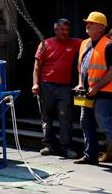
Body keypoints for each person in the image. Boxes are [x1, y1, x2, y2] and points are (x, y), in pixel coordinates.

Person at [73, 11, 112, 170]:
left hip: (104, 92)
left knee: (104, 124)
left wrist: (96, 87)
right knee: (86, 122)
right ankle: (90, 155)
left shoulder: (109, 45)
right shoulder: (85, 43)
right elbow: (81, 68)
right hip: (87, 92)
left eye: (91, 23)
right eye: (88, 22)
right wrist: (80, 84)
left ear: (100, 27)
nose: (87, 25)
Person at [32, 18, 81, 159]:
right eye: (62, 30)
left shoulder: (74, 43)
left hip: (64, 87)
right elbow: (37, 66)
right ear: (55, 30)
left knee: (65, 116)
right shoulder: (45, 44)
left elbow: (92, 41)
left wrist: (109, 34)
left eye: (67, 30)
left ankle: (66, 146)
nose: (65, 32)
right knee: (46, 117)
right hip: (46, 85)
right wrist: (35, 84)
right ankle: (49, 145)